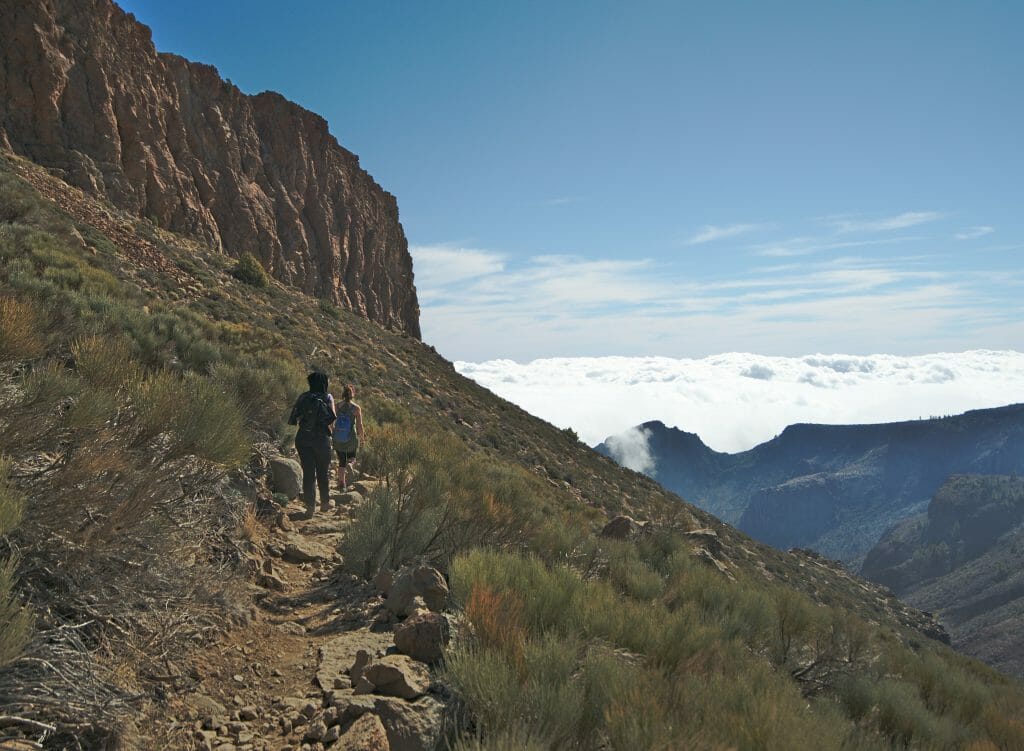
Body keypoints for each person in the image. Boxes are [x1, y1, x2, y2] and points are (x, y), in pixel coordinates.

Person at [288, 371, 335, 517]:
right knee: (323, 472)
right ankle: (325, 504)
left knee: (308, 473)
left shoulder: (304, 396)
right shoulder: (327, 397)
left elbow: (293, 419)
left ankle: (310, 507)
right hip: (321, 439)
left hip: (303, 438)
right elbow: (333, 417)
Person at [332, 384, 364, 493]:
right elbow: (359, 425)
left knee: (341, 461)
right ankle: (350, 464)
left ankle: (342, 485)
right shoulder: (356, 408)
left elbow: (331, 422)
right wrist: (362, 438)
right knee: (352, 457)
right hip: (351, 437)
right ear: (352, 394)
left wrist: (333, 433)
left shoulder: (336, 406)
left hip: (338, 437)